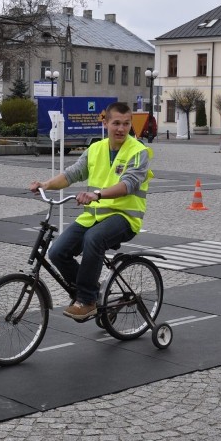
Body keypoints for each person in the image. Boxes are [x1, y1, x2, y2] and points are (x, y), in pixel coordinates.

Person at [29, 102, 153, 321]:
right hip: (94, 215)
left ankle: (86, 300)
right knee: (57, 252)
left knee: (93, 239)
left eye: (126, 124)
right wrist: (46, 184)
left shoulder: (138, 151)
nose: (121, 129)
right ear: (105, 123)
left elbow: (128, 184)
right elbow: (72, 174)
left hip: (125, 217)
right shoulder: (95, 149)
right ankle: (92, 291)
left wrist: (97, 194)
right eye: (116, 123)